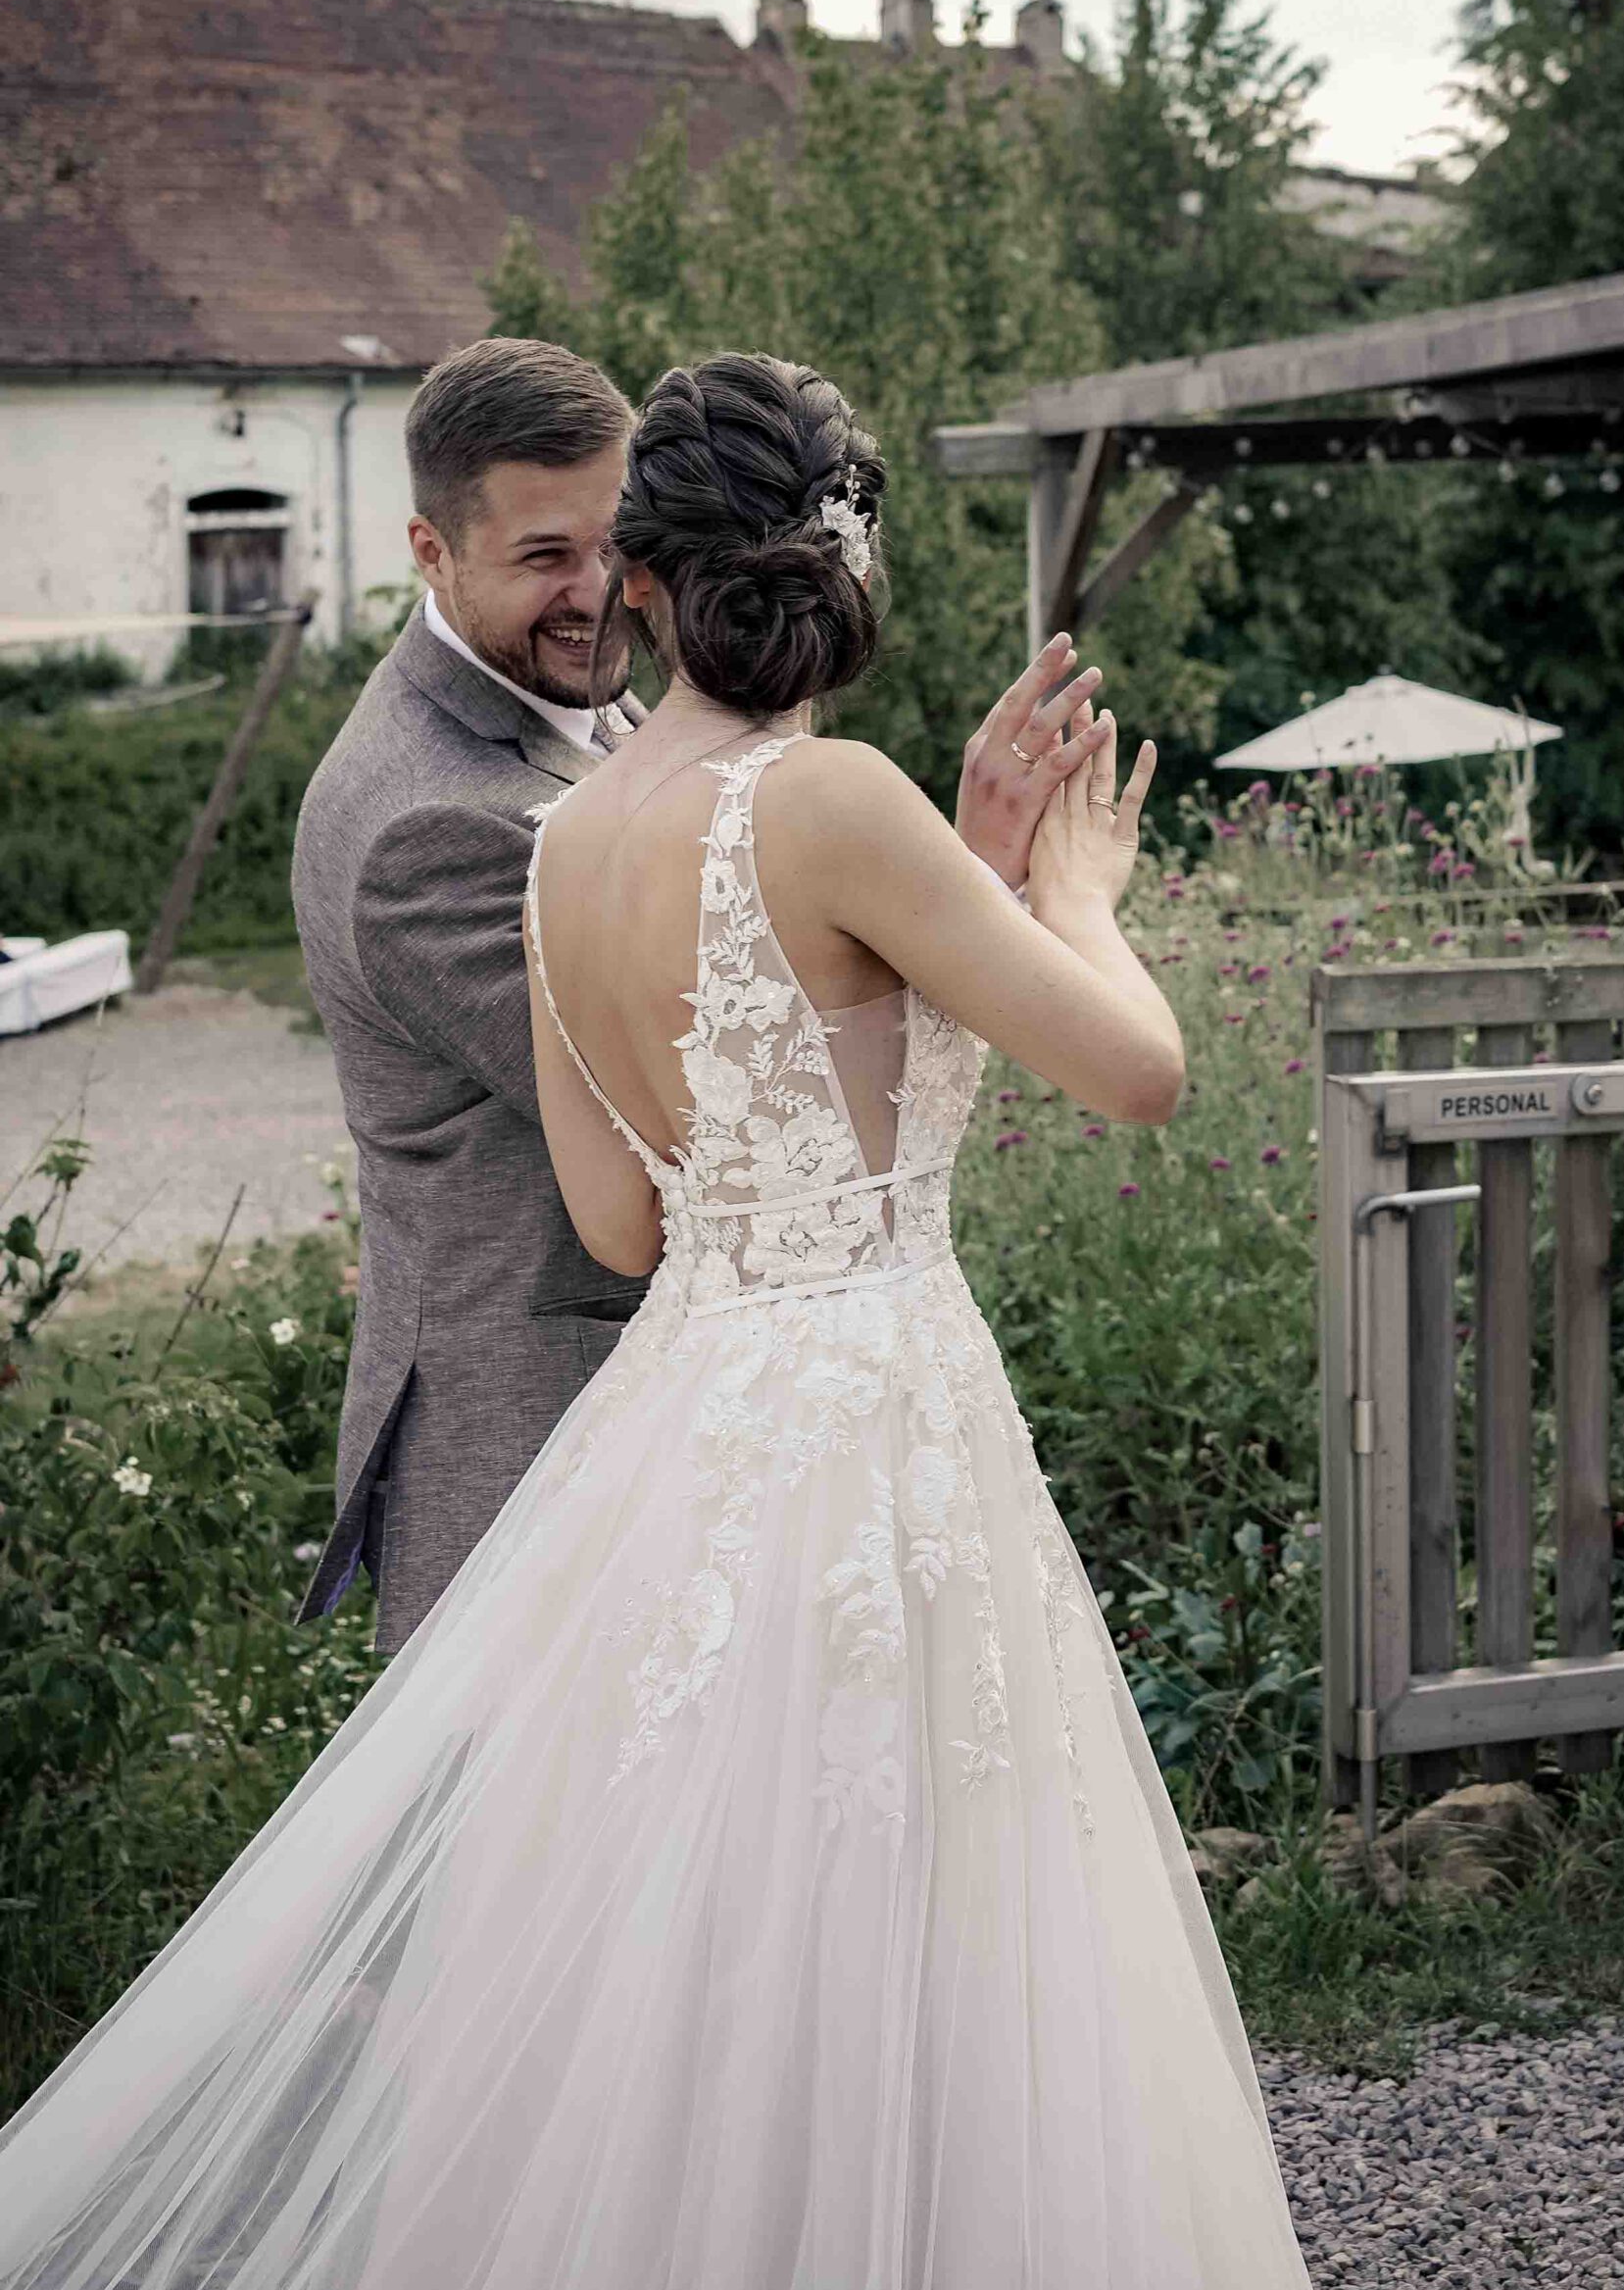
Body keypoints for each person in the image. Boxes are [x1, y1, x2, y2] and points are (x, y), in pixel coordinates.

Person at [0, 352, 1325, 2290]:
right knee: (920, 1920)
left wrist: (916, 931)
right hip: (873, 1409)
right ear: (840, 572)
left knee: (705, 1953)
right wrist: (1072, 887)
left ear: (643, 577)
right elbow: (1133, 1071)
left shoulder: (564, 836)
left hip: (684, 1428)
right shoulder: (832, 797)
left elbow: (626, 1212)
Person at [290, 334, 1108, 1652]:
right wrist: (973, 904)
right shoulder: (426, 825)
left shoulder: (613, 724)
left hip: (711, 1441)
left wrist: (939, 883)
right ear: (431, 553)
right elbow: (727, 1105)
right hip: (546, 1450)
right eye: (544, 558)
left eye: (614, 544)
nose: (600, 591)